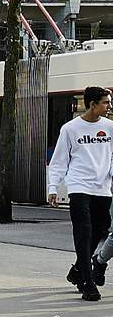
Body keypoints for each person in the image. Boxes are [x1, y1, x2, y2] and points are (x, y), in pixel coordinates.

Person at [48, 85, 113, 302]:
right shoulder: (70, 129)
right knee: (83, 233)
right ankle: (87, 282)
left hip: (102, 188)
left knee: (100, 229)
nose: (109, 106)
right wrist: (53, 187)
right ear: (92, 105)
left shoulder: (110, 127)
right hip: (79, 187)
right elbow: (59, 161)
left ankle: (77, 270)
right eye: (105, 102)